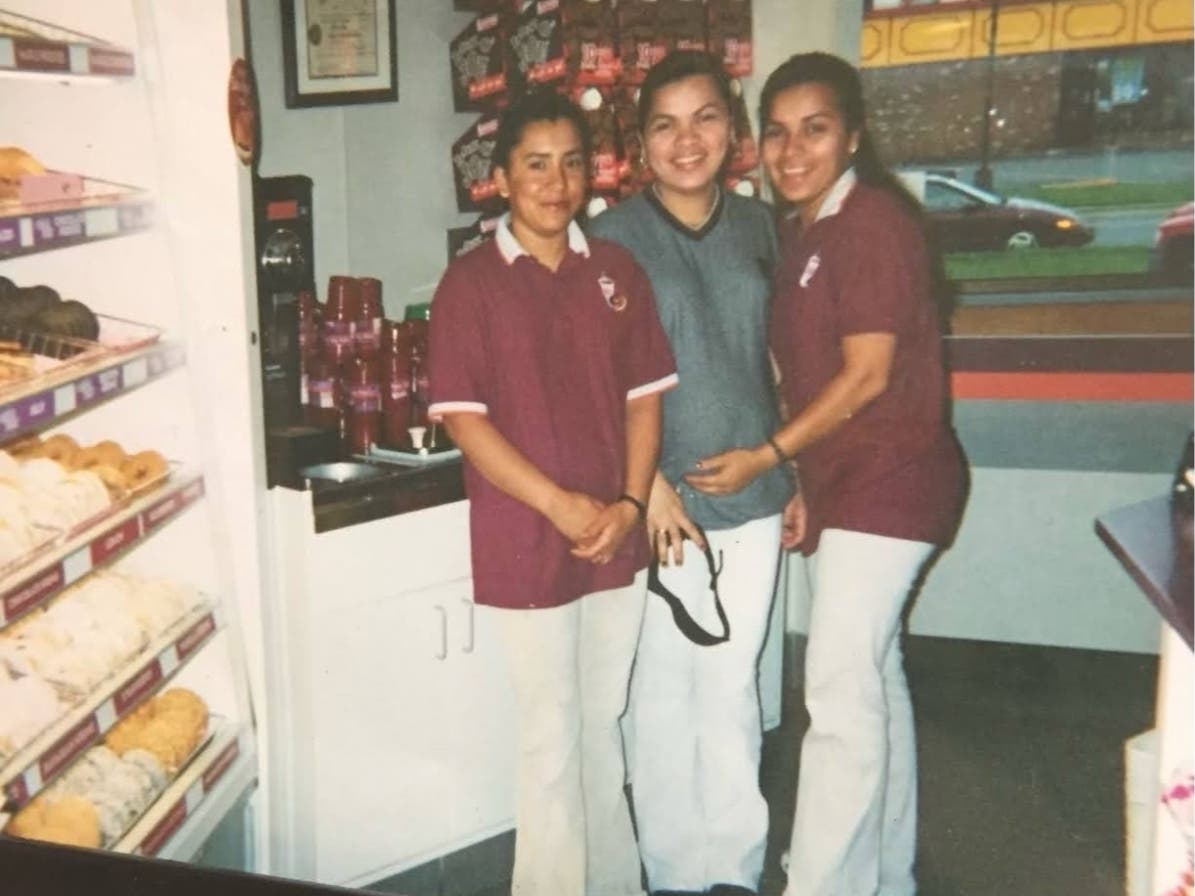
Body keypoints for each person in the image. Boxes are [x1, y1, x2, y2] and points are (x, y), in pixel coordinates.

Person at [684, 52, 966, 896]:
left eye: (814, 129)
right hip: (847, 483)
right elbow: (801, 378)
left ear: (853, 135)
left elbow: (868, 374)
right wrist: (799, 478)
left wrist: (769, 459)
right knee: (869, 676)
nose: (791, 150)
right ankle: (883, 877)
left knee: (838, 694)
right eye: (775, 132)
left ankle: (821, 885)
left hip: (894, 478)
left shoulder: (870, 221)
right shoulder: (807, 230)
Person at [427, 89, 678, 896]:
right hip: (526, 542)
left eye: (571, 162)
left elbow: (645, 397)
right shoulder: (468, 286)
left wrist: (631, 506)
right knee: (550, 737)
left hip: (614, 535)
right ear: (501, 177)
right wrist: (563, 505)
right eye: (535, 163)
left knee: (601, 728)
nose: (555, 181)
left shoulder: (614, 270)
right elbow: (470, 427)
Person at [588, 50, 794, 896]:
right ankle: (674, 874)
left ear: (733, 130)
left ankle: (735, 872)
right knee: (664, 696)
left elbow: (777, 362)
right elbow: (591, 383)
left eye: (704, 116)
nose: (686, 139)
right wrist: (650, 490)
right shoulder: (609, 238)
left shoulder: (759, 227)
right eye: (664, 123)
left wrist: (796, 474)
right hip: (662, 507)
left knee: (732, 684)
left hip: (751, 500)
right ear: (639, 142)